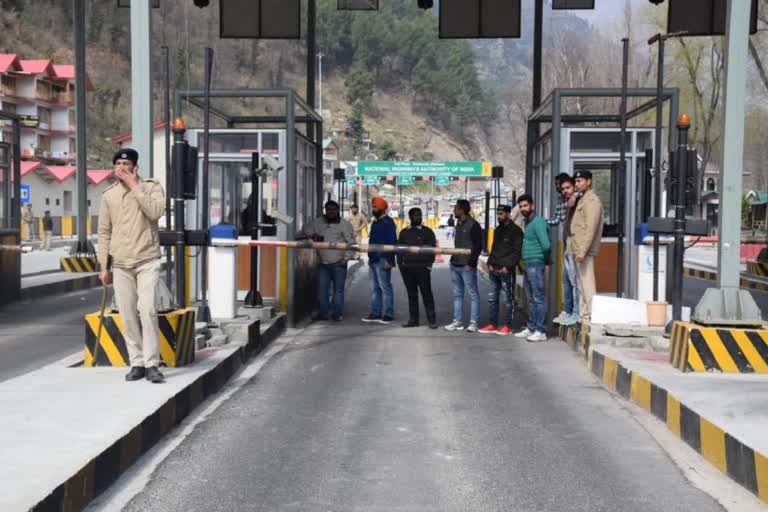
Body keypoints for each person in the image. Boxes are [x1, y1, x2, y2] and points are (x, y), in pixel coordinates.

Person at [97, 148, 166, 383]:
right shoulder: (109, 195)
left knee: (147, 310)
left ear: (135, 167)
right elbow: (104, 232)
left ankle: (152, 364)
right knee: (127, 314)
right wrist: (104, 266)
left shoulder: (152, 187)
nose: (121, 168)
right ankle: (136, 362)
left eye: (126, 164)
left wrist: (135, 186)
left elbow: (155, 212)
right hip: (121, 263)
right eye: (117, 163)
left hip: (147, 259)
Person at [299, 200, 356, 322]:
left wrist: (346, 259)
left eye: (333, 210)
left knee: (338, 291)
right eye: (328, 209)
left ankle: (337, 314)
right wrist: (313, 234)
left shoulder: (345, 225)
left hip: (339, 263)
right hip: (323, 264)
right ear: (325, 210)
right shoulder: (318, 222)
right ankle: (324, 314)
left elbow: (352, 244)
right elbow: (305, 228)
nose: (330, 212)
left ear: (337, 210)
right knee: (322, 291)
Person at [479, 204, 523, 336]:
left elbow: (517, 252)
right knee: (492, 298)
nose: (499, 216)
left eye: (501, 214)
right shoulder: (498, 230)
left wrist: (507, 267)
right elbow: (494, 248)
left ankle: (508, 326)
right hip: (494, 270)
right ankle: (493, 324)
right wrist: (490, 263)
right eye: (498, 214)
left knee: (508, 299)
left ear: (509, 214)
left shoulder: (516, 231)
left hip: (506, 271)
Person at [568, 170, 604, 323]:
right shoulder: (582, 199)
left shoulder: (592, 201)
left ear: (589, 182)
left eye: (580, 181)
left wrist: (582, 250)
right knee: (581, 286)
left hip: (584, 250)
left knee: (588, 286)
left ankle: (592, 316)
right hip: (577, 248)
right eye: (575, 182)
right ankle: (584, 316)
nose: (577, 184)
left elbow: (590, 228)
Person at [514, 194, 550, 342]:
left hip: (536, 263)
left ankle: (540, 330)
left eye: (525, 206)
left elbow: (546, 245)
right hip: (528, 264)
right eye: (521, 206)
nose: (523, 209)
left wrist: (544, 260)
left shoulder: (538, 222)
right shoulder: (528, 223)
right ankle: (531, 327)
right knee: (531, 299)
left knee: (538, 298)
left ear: (532, 206)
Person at [445, 199, 483, 332]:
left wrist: (471, 263)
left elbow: (478, 246)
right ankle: (457, 322)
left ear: (462, 210)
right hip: (455, 264)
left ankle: (474, 322)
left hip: (467, 266)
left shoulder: (474, 225)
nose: (454, 211)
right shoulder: (458, 224)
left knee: (473, 294)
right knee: (457, 295)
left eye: (456, 208)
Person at [397, 207, 437, 329]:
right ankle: (413, 320)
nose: (418, 217)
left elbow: (432, 250)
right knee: (411, 295)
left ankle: (432, 321)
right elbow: (399, 250)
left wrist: (429, 266)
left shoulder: (427, 232)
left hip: (422, 268)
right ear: (410, 217)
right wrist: (401, 265)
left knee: (427, 294)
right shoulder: (404, 232)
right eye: (415, 215)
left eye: (419, 215)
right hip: (407, 268)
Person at [362, 196, 397, 324]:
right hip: (373, 259)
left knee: (385, 287)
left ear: (382, 208)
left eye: (375, 207)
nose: (373, 209)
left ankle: (388, 314)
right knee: (374, 288)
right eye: (373, 207)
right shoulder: (375, 222)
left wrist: (389, 259)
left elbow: (392, 241)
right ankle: (375, 312)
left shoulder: (388, 223)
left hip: (383, 259)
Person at [553, 176, 580, 326]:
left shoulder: (579, 198)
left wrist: (575, 194)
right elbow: (558, 219)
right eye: (560, 187)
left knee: (574, 281)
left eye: (566, 187)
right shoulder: (562, 200)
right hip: (567, 244)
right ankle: (568, 311)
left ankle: (576, 312)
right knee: (566, 280)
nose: (562, 190)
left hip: (575, 245)